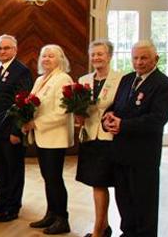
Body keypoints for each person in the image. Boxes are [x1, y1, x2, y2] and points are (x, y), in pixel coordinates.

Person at [103, 40, 168, 237]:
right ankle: (127, 233)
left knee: (144, 202)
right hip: (120, 153)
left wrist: (123, 125)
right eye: (135, 57)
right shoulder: (127, 79)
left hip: (143, 155)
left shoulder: (165, 85)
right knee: (124, 199)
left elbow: (157, 119)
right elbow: (116, 107)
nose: (139, 62)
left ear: (156, 59)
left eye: (144, 58)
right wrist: (107, 118)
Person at [23, 44, 74, 234]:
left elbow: (62, 112)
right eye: (44, 56)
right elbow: (31, 103)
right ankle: (51, 213)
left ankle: (62, 218)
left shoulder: (63, 79)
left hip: (55, 137)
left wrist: (35, 124)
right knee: (48, 178)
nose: (46, 59)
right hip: (42, 137)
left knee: (54, 178)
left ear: (60, 59)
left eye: (51, 56)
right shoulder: (40, 79)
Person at [0, 34, 33, 223]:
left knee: (13, 170)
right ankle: (0, 201)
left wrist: (16, 131)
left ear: (15, 49)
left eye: (6, 48)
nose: (2, 51)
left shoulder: (22, 71)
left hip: (11, 131)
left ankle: (12, 207)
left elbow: (23, 103)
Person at [75, 40, 122, 237]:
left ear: (109, 56)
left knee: (105, 183)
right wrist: (77, 114)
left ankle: (99, 230)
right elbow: (78, 106)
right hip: (89, 136)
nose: (96, 58)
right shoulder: (84, 79)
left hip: (109, 137)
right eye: (93, 54)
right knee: (97, 183)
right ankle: (102, 227)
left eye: (100, 54)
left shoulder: (121, 79)